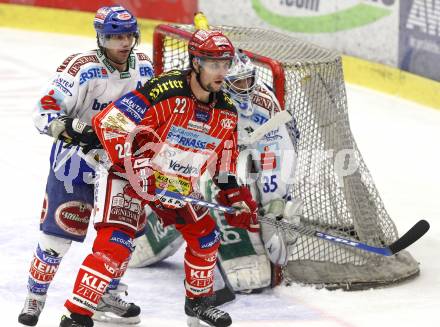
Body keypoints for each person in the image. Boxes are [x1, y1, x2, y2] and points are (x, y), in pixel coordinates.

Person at [58, 29, 258, 327]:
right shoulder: (165, 90)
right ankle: (77, 315)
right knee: (115, 245)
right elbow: (110, 121)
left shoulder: (226, 113)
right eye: (214, 64)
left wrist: (236, 196)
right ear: (196, 63)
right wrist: (137, 165)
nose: (222, 72)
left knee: (205, 237)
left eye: (225, 64)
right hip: (126, 175)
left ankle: (198, 302)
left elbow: (223, 164)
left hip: (174, 184)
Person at [128, 50, 301, 303]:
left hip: (237, 156)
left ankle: (241, 255)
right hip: (195, 154)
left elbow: (274, 149)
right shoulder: (193, 95)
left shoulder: (263, 101)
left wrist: (275, 197)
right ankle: (158, 232)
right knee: (188, 191)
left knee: (236, 188)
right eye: (237, 83)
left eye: (247, 80)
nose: (245, 89)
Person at [18, 6, 153, 326]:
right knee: (58, 236)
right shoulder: (81, 68)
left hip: (121, 164)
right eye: (113, 37)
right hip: (75, 162)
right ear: (100, 38)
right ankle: (35, 297)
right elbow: (45, 108)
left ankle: (105, 294)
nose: (122, 43)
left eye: (127, 36)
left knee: (123, 235)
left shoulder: (145, 67)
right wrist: (71, 127)